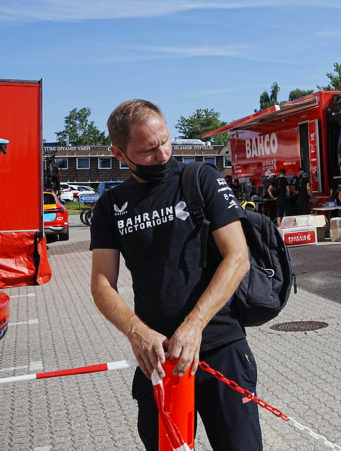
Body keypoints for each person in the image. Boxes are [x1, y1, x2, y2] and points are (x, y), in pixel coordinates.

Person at [90, 99, 262, 450]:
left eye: (166, 141)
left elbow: (237, 257)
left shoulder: (201, 178)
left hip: (220, 350)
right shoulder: (111, 206)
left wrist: (195, 325)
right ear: (119, 153)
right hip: (159, 360)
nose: (164, 154)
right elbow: (101, 283)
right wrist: (136, 331)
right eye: (149, 150)